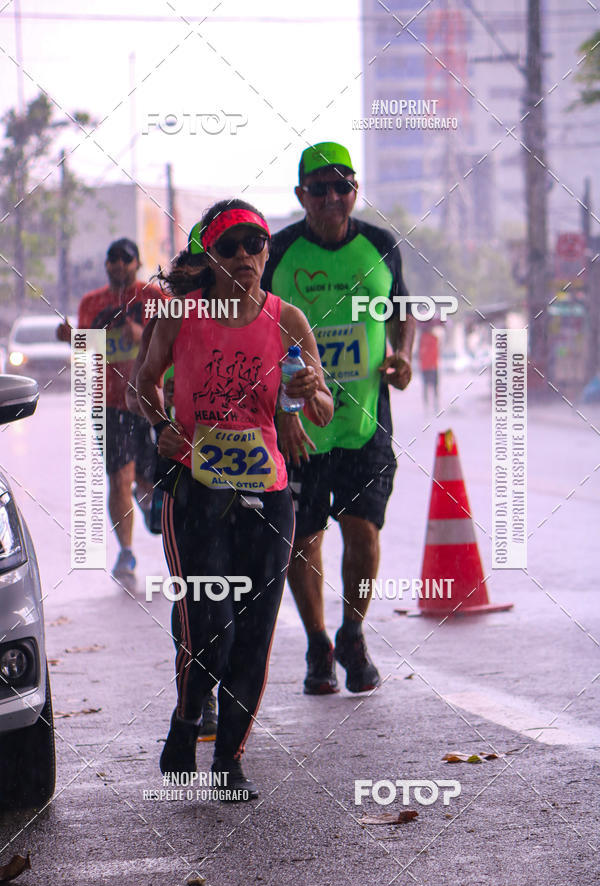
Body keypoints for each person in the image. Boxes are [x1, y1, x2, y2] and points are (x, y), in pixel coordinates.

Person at [137, 201, 333, 799]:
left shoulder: (288, 320)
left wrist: (308, 393)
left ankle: (228, 763)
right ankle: (188, 717)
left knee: (253, 633)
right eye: (231, 247)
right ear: (210, 259)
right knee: (212, 625)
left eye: (256, 244)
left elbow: (321, 407)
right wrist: (161, 426)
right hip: (196, 490)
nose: (246, 256)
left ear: (267, 252)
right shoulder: (180, 318)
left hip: (267, 495)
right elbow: (144, 384)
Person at [262, 141, 415, 696]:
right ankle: (318, 644)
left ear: (355, 190)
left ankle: (352, 632)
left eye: (342, 186)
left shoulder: (379, 245)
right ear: (300, 194)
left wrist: (403, 357)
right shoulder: (276, 253)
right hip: (298, 427)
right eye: (319, 189)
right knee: (304, 540)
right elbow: (259, 335)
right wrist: (282, 412)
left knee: (364, 532)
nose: (332, 198)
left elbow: (402, 312)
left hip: (365, 423)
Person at [57, 238, 166, 590]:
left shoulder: (154, 299)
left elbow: (175, 339)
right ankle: (127, 550)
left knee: (148, 482)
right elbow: (86, 345)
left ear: (137, 264)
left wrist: (142, 334)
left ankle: (147, 500)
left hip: (152, 401)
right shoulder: (92, 302)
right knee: (119, 477)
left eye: (125, 259)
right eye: (112, 259)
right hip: (109, 404)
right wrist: (70, 337)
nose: (118, 264)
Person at [418, 323, 440, 410]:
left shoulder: (421, 339)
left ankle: (427, 405)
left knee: (426, 387)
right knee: (434, 387)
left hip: (425, 366)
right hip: (433, 366)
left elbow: (419, 354)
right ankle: (435, 404)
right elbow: (437, 352)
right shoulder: (434, 338)